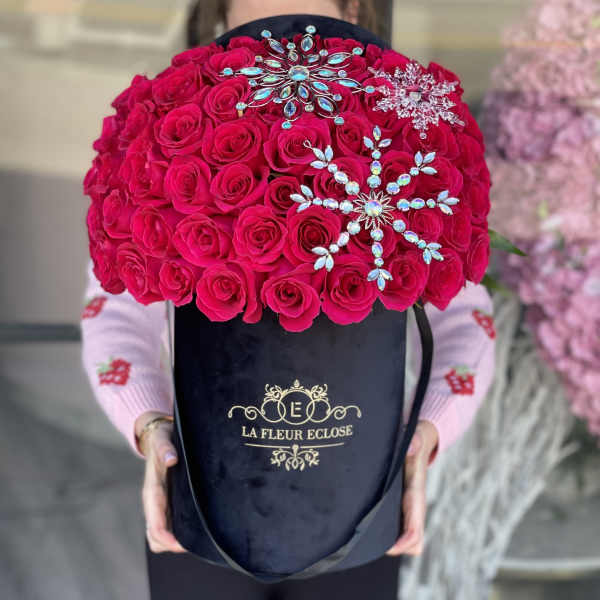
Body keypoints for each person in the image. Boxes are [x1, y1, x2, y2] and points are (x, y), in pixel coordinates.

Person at [80, 1, 496, 598]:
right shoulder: (171, 126)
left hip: (361, 493)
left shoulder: (404, 115)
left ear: (354, 8)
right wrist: (149, 425)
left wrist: (426, 432)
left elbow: (465, 313)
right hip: (203, 488)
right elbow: (114, 308)